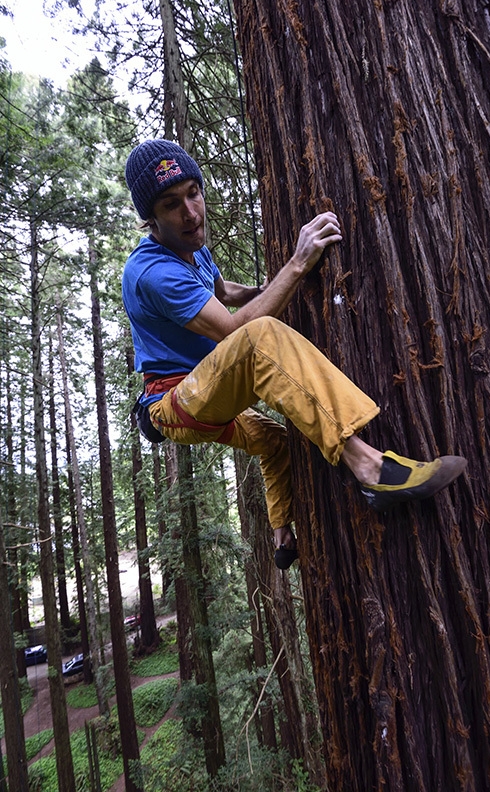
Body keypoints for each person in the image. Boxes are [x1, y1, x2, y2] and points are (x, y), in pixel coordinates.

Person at [122, 139, 467, 570]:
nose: (191, 212)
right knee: (260, 336)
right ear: (150, 219)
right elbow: (235, 329)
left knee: (274, 441)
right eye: (173, 204)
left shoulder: (192, 248)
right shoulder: (151, 272)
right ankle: (372, 470)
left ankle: (282, 531)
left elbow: (221, 291)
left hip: (207, 387)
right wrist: (297, 264)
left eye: (194, 192)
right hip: (176, 401)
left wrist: (265, 288)